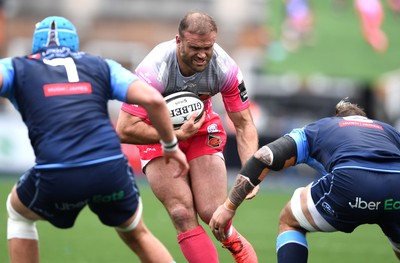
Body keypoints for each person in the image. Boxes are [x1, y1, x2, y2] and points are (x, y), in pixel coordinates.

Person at [1, 16, 189, 263]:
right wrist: (170, 146)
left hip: (58, 172)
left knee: (19, 214)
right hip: (109, 170)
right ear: (74, 42)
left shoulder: (17, 66)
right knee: (136, 233)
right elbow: (154, 100)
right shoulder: (101, 65)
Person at [116, 11, 259, 263]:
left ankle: (232, 240)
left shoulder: (225, 68)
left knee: (212, 212)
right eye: (194, 47)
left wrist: (252, 171)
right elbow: (125, 128)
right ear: (178, 41)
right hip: (157, 132)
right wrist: (173, 134)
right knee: (181, 213)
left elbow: (244, 123)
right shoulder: (153, 69)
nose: (203, 54)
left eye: (208, 47)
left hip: (202, 129)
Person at [209, 98, 400, 262]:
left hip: (351, 182)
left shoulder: (323, 126)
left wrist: (229, 207)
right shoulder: (388, 130)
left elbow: (265, 156)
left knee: (289, 220)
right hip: (396, 187)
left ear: (338, 118)